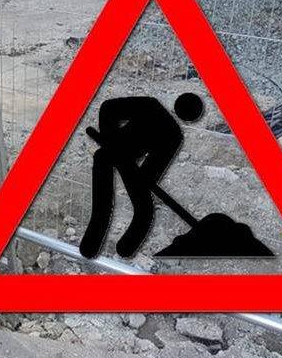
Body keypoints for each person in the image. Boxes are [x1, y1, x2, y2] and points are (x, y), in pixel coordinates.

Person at [79, 93, 204, 259]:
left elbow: (152, 171)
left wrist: (140, 177)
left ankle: (125, 249)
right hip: (111, 151)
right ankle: (93, 245)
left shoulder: (172, 134)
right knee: (104, 184)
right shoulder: (152, 108)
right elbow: (108, 108)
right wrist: (111, 140)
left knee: (144, 210)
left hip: (129, 161)